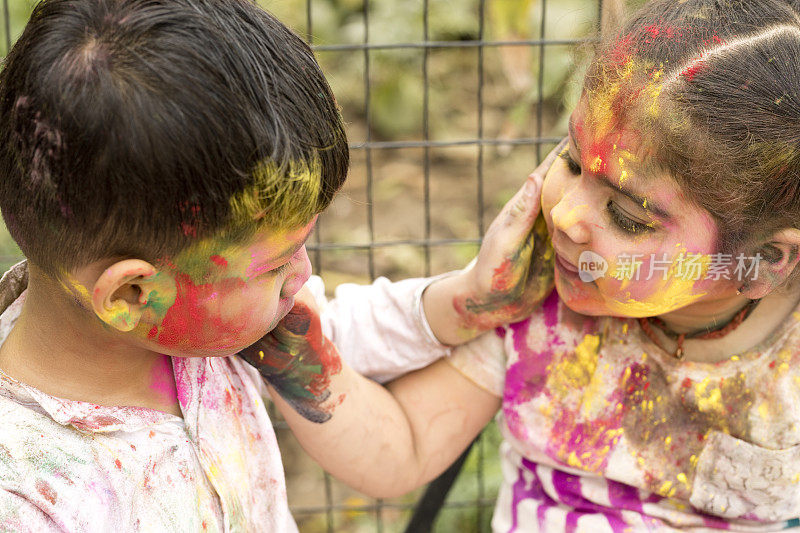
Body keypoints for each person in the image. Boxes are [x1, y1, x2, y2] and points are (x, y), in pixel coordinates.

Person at [251, 0, 800, 530]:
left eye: (628, 215)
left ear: (763, 260)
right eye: (572, 160)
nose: (564, 214)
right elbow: (404, 447)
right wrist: (279, 334)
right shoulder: (543, 300)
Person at [0, 0, 543, 529]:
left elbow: (334, 327)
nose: (303, 275)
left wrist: (470, 296)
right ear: (133, 295)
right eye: (275, 265)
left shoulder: (204, 325)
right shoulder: (26, 499)